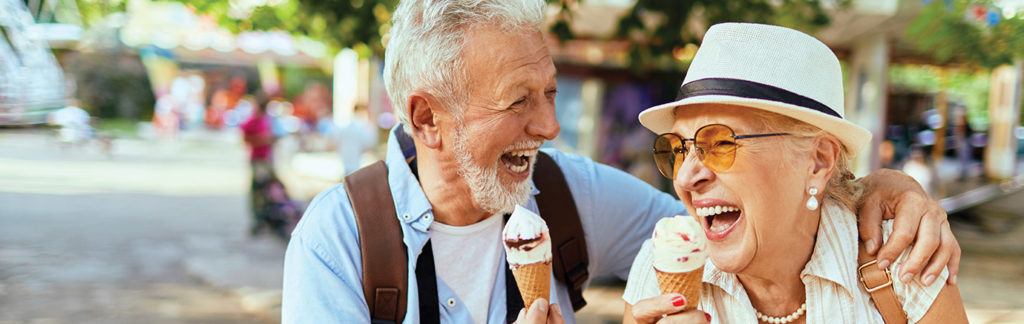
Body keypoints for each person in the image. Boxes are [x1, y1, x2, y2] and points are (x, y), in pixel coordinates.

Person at [281, 2, 960, 323]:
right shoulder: (341, 244)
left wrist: (884, 190)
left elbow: (730, 221)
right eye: (520, 101)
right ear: (426, 118)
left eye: (549, 93)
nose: (548, 127)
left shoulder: (568, 194)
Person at [622, 23, 966, 324]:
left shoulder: (902, 259)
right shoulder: (661, 263)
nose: (684, 179)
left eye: (722, 143)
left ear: (817, 161)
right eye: (678, 149)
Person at [241, 92, 277, 235]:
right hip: (258, 160)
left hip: (266, 160)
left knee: (269, 191)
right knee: (258, 192)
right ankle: (258, 220)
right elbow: (246, 139)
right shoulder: (252, 121)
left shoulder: (266, 120)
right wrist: (263, 140)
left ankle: (269, 218)